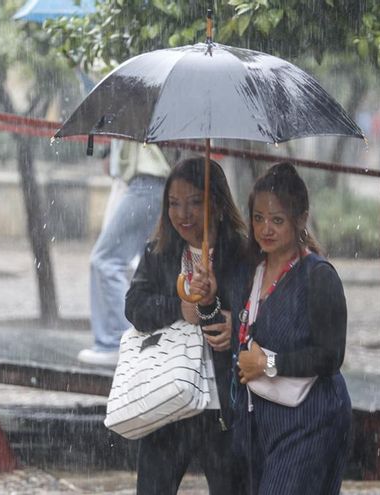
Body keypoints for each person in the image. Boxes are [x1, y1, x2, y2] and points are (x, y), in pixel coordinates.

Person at [124, 158, 249, 494]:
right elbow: (134, 306)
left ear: (218, 205)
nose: (182, 214)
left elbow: (262, 309)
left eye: (195, 202)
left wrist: (234, 322)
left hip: (224, 403)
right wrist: (177, 308)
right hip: (168, 396)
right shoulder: (159, 252)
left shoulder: (243, 252)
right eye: (173, 204)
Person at [232, 163, 351, 494]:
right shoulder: (249, 270)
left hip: (311, 419)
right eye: (258, 218)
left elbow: (330, 356)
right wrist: (203, 299)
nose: (265, 229)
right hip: (260, 421)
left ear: (300, 219)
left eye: (277, 220)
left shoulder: (318, 276)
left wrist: (269, 363)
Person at [78, 141, 171, 366]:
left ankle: (116, 341)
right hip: (151, 181)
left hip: (146, 180)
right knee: (145, 266)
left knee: (105, 260)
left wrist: (109, 152)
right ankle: (139, 342)